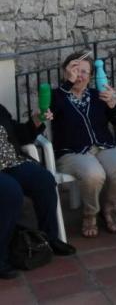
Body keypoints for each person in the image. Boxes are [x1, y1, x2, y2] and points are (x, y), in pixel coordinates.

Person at [51, 52, 116, 238]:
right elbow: (50, 110)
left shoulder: (98, 95)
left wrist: (113, 104)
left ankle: (110, 208)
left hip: (103, 147)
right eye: (76, 70)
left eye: (84, 72)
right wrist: (68, 84)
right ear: (67, 72)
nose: (80, 75)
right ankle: (90, 214)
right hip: (72, 152)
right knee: (94, 174)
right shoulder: (57, 95)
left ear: (90, 76)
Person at [0, 103, 76, 279]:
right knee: (11, 192)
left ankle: (48, 239)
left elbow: (19, 135)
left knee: (44, 180)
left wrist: (35, 120)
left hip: (11, 162)